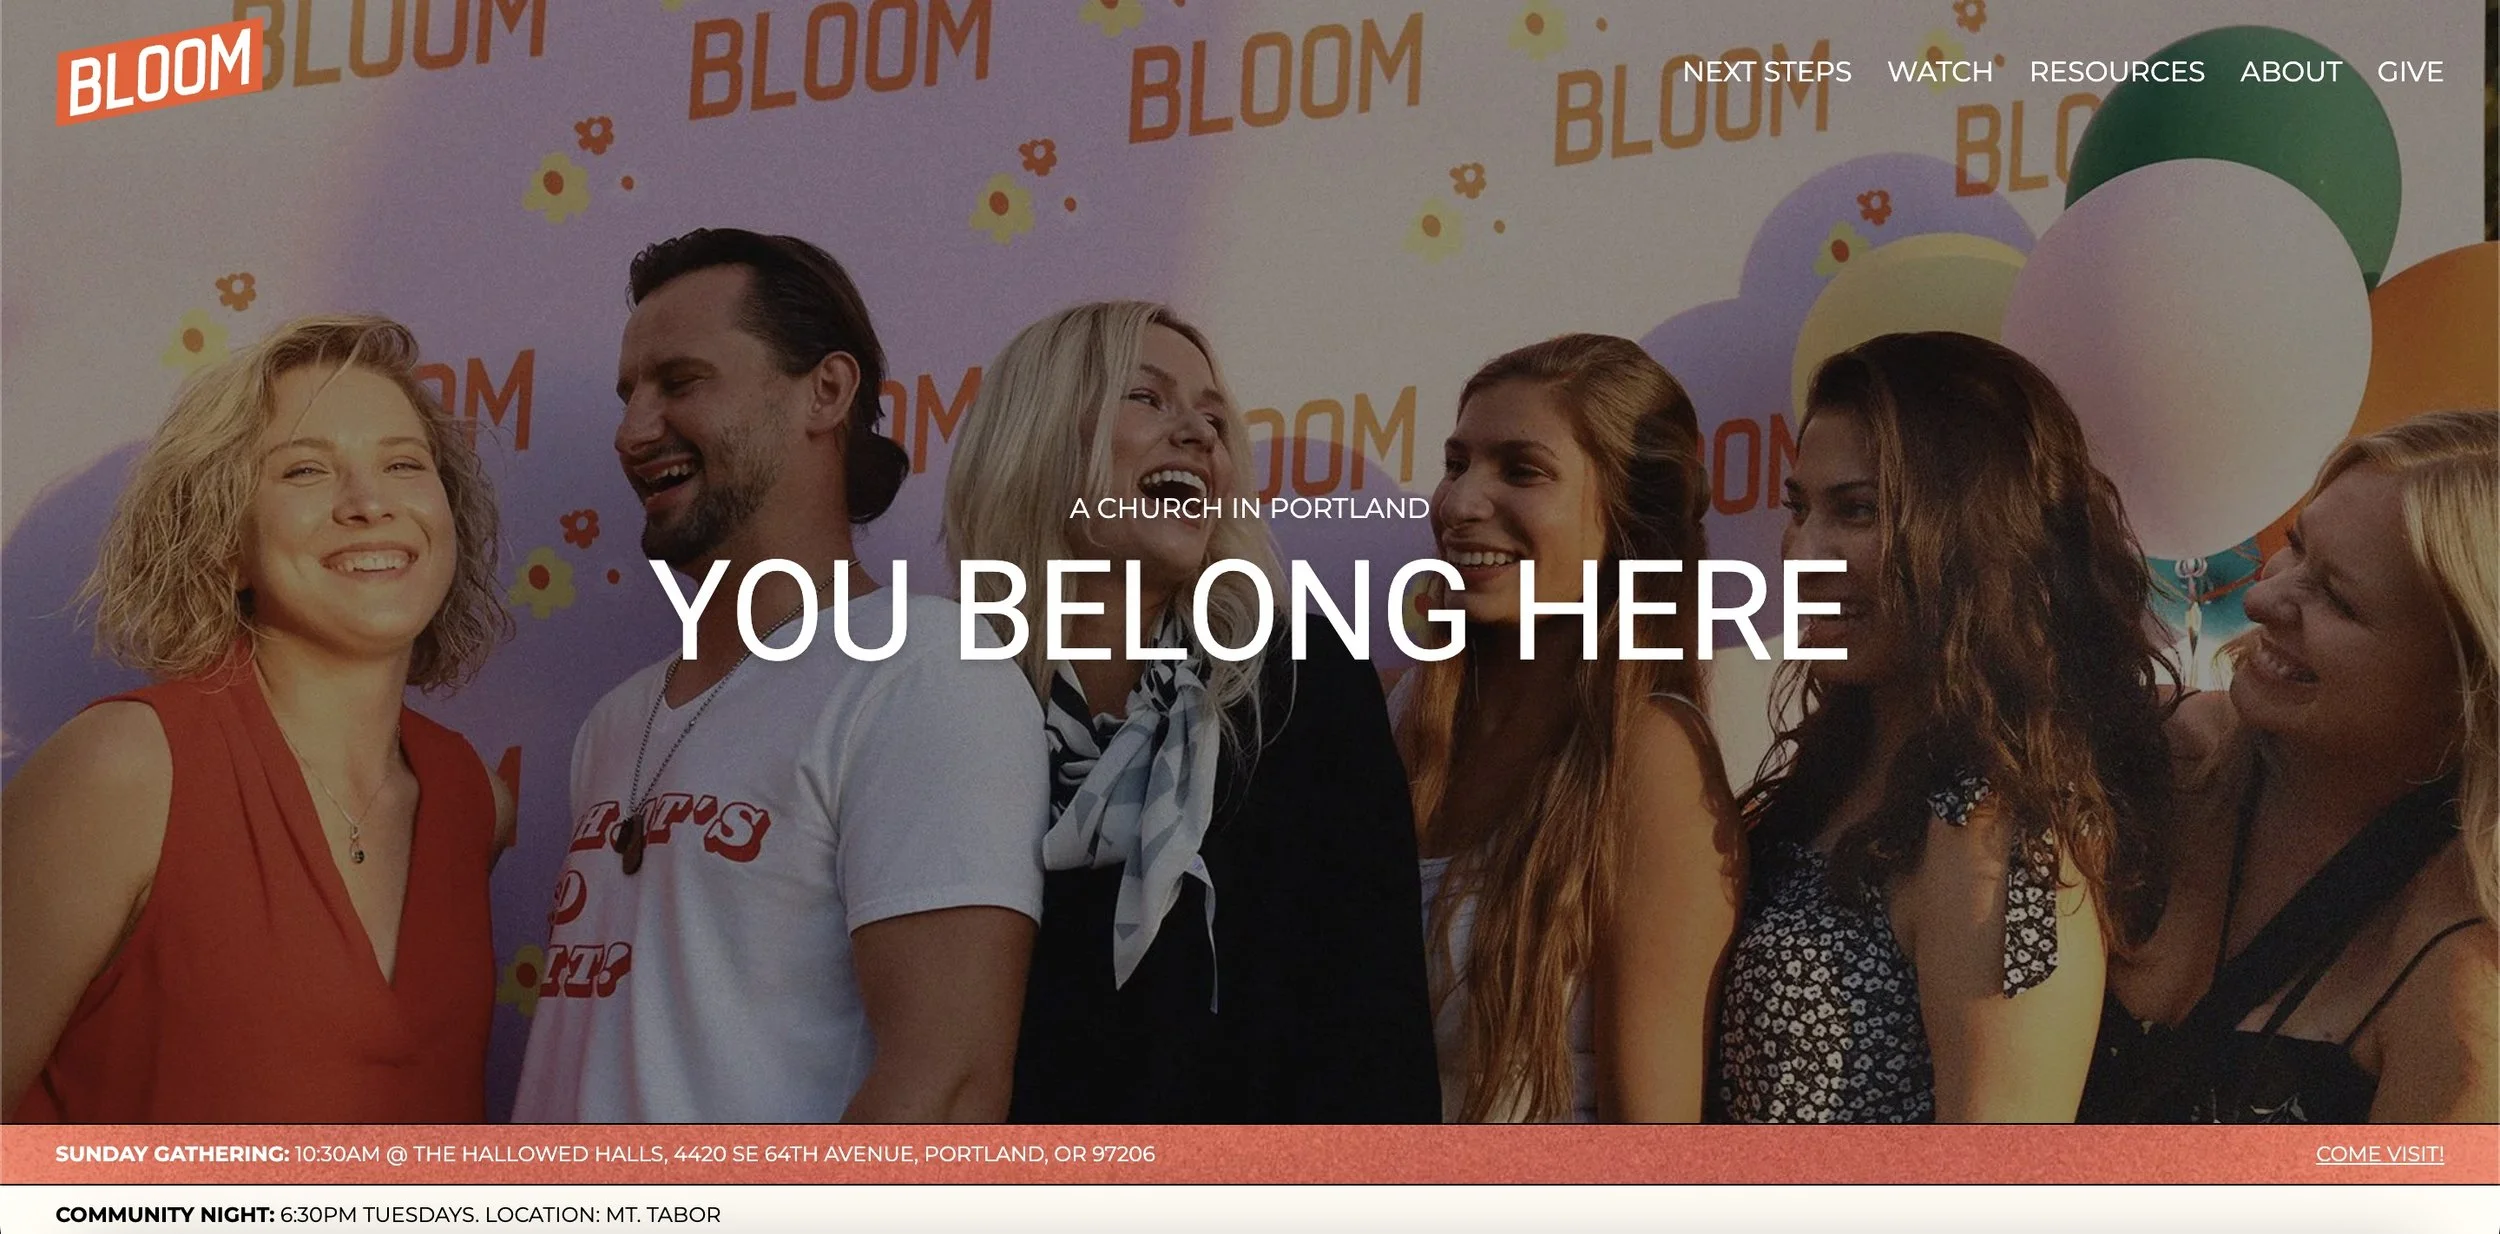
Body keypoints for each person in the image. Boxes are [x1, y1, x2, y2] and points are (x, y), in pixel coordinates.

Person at [512, 229, 1047, 1123]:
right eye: (628, 394)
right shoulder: (616, 720)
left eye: (680, 383)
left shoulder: (923, 670)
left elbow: (948, 1089)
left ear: (825, 392)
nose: (634, 431)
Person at [3, 315, 514, 1122]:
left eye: (404, 464)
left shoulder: (476, 802)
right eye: (305, 471)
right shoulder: (124, 770)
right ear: (224, 542)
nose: (370, 502)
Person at [943, 300, 1439, 1121]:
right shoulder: (940, 705)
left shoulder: (1300, 687)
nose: (1200, 435)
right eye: (1147, 398)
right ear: (1035, 433)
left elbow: (1373, 1037)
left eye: (1213, 417)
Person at [1715, 331, 2173, 1123]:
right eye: (1799, 509)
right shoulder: (1843, 766)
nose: (1803, 552)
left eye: (1855, 511)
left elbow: (2000, 1174)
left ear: (1977, 534)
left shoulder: (1998, 824)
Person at [2082, 409, 2497, 1124]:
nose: (2261, 597)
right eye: (2295, 548)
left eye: (2338, 598)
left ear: (2468, 685)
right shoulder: (2144, 755)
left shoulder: (2466, 975)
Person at [1390, 333, 1741, 1122]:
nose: (1460, 503)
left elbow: (1653, 1150)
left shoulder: (1652, 759)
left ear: (1628, 516)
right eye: (1456, 464)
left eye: (1522, 470)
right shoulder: (1398, 715)